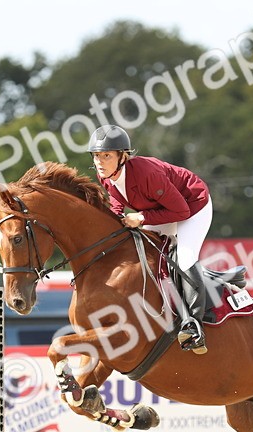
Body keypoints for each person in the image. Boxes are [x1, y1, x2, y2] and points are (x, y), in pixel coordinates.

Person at [88, 124, 213, 353]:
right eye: (96, 155)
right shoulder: (105, 174)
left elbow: (181, 212)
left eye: (106, 155)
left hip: (194, 206)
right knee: (152, 255)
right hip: (162, 209)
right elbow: (116, 200)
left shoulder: (147, 173)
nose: (99, 161)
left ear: (122, 156)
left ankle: (194, 325)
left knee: (183, 258)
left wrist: (142, 217)